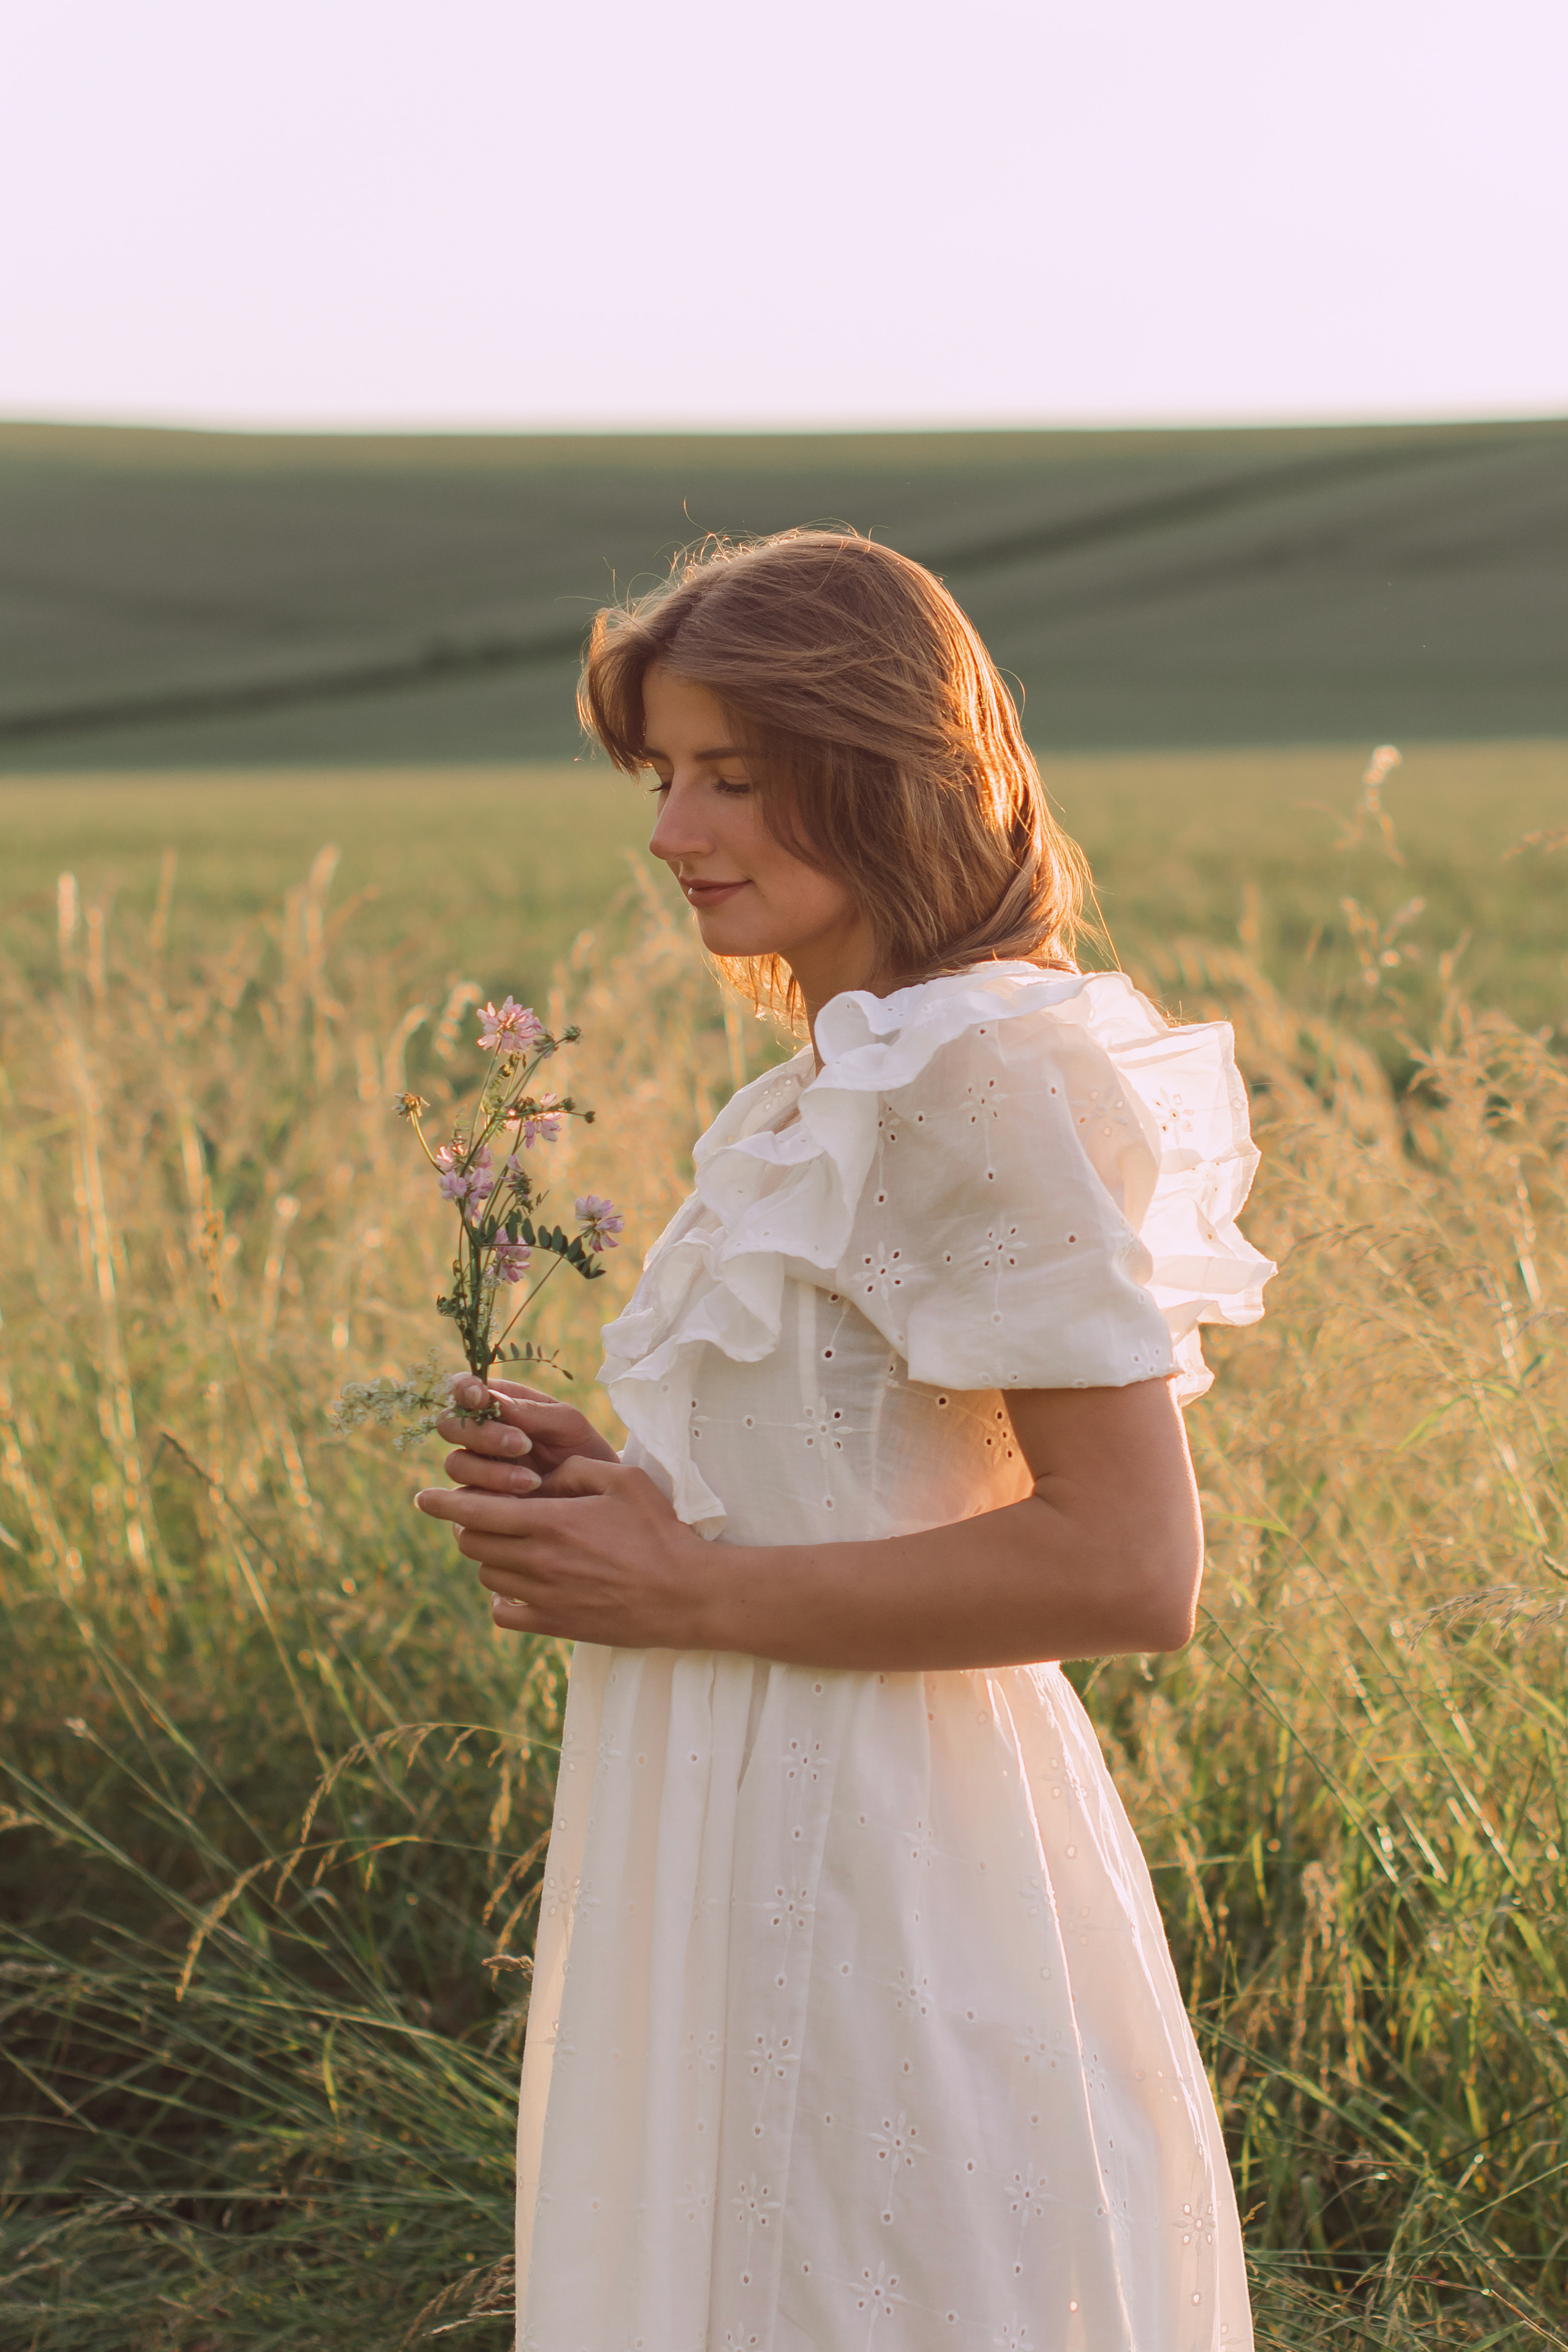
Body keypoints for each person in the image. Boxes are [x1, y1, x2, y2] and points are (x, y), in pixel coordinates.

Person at [415, 531, 1274, 2351]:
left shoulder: (984, 1072)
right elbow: (855, 1476)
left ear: (882, 764)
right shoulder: (830, 1083)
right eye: (665, 776)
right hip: (726, 1812)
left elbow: (1131, 1566)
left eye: (730, 772)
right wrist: (632, 1492)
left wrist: (691, 1587)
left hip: (884, 1853)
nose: (671, 831)